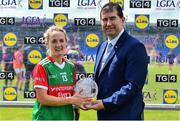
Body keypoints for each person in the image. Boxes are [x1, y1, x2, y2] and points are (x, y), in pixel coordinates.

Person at [85, 2, 148, 120]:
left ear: (122, 19)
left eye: (112, 18)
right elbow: (100, 80)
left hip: (126, 116)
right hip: (104, 115)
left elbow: (133, 86)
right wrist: (82, 95)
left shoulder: (135, 47)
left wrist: (105, 103)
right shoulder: (102, 47)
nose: (108, 23)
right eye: (104, 20)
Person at [32, 25, 91, 121]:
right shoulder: (42, 67)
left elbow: (73, 94)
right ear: (47, 43)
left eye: (61, 41)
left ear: (66, 43)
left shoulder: (71, 66)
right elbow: (43, 99)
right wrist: (71, 100)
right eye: (54, 41)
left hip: (67, 118)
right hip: (46, 118)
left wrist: (81, 102)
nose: (58, 44)